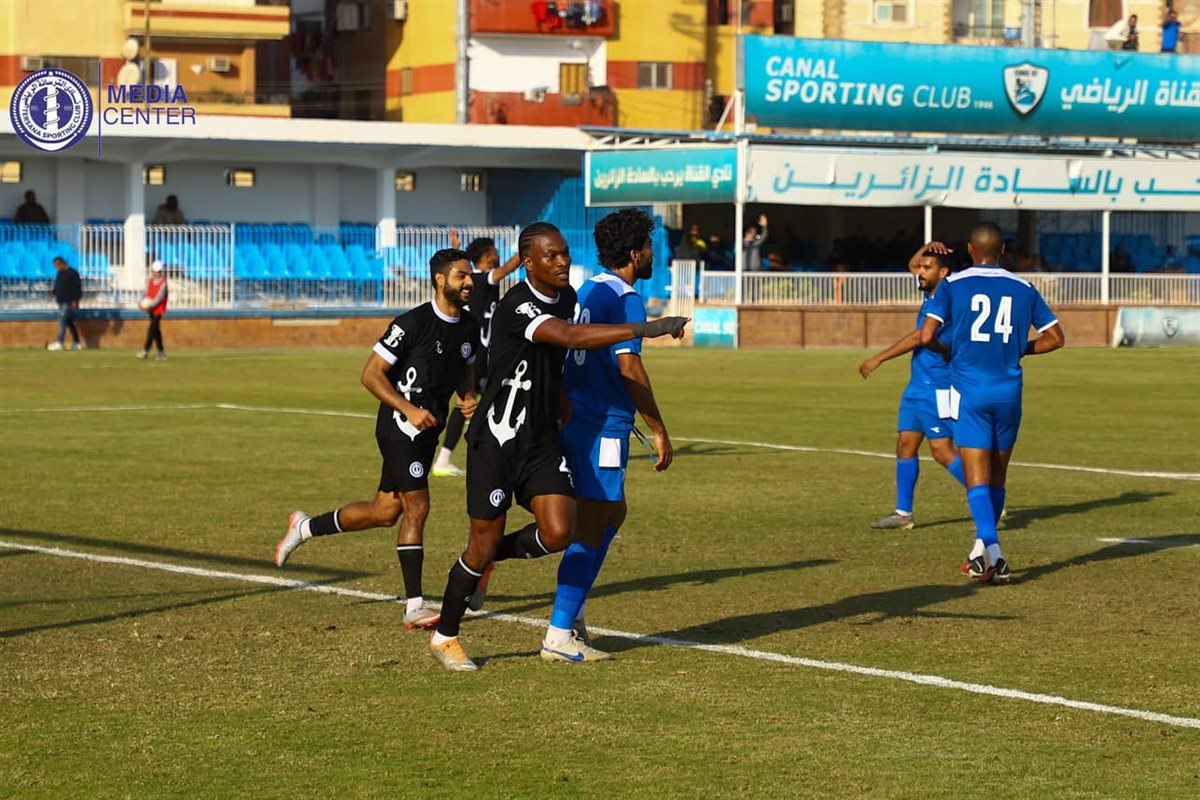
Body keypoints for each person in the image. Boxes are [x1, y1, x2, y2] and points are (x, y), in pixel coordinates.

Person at [428, 221, 688, 671]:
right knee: (482, 544)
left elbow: (559, 356)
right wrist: (646, 328)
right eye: (551, 256)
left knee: (560, 530)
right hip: (497, 440)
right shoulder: (517, 305)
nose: (563, 261)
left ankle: (495, 568)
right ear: (529, 263)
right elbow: (567, 337)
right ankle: (446, 635)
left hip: (541, 440)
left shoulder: (570, 297)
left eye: (565, 253)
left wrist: (562, 396)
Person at [274, 249, 481, 630]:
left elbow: (464, 370)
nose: (469, 282)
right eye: (461, 276)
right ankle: (414, 605)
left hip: (428, 430)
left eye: (470, 276)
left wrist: (467, 397)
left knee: (384, 512)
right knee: (418, 506)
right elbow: (371, 374)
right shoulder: (411, 323)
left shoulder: (469, 326)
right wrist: (408, 409)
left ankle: (304, 527)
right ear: (440, 280)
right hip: (399, 427)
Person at [541, 208, 676, 663]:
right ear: (635, 253)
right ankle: (560, 633)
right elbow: (629, 367)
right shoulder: (626, 299)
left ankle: (572, 609)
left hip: (576, 417)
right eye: (649, 247)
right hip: (602, 424)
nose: (653, 254)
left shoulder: (589, 289)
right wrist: (659, 429)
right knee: (593, 523)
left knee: (612, 512)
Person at [919, 223, 1065, 584]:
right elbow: (1055, 338)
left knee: (977, 478)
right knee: (998, 476)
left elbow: (926, 335)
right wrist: (1020, 349)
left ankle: (996, 555)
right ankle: (978, 553)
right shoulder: (1024, 288)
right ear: (1002, 250)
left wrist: (949, 350)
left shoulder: (953, 285)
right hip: (1009, 393)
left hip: (970, 392)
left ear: (970, 249)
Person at [859, 242, 967, 530]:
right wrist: (927, 248)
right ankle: (903, 514)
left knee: (942, 451)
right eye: (921, 267)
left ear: (943, 272)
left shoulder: (944, 297)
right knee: (905, 444)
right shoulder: (932, 290)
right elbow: (912, 265)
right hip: (918, 384)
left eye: (927, 268)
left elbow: (919, 336)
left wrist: (878, 358)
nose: (920, 271)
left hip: (937, 385)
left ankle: (989, 496)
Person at [431, 235, 522, 478]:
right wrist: (527, 251)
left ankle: (453, 458)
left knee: (482, 402)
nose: (497, 254)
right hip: (479, 353)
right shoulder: (482, 279)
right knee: (472, 402)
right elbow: (505, 270)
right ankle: (448, 459)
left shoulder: (477, 279)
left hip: (485, 352)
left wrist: (457, 248)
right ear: (486, 255)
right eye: (494, 250)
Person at [47, 257, 82, 351]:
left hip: (69, 302)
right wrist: (53, 292)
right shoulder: (59, 273)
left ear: (62, 263)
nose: (56, 268)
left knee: (62, 321)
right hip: (61, 301)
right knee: (69, 323)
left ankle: (59, 342)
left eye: (57, 266)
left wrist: (75, 300)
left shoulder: (73, 273)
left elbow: (77, 288)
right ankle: (77, 343)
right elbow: (59, 286)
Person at [137, 261, 169, 360]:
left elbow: (159, 298)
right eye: (155, 271)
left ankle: (145, 351)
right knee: (156, 331)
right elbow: (145, 292)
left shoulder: (164, 283)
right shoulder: (150, 281)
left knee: (152, 330)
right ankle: (161, 352)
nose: (156, 273)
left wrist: (149, 306)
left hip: (158, 309)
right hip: (151, 309)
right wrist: (141, 302)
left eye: (158, 271)